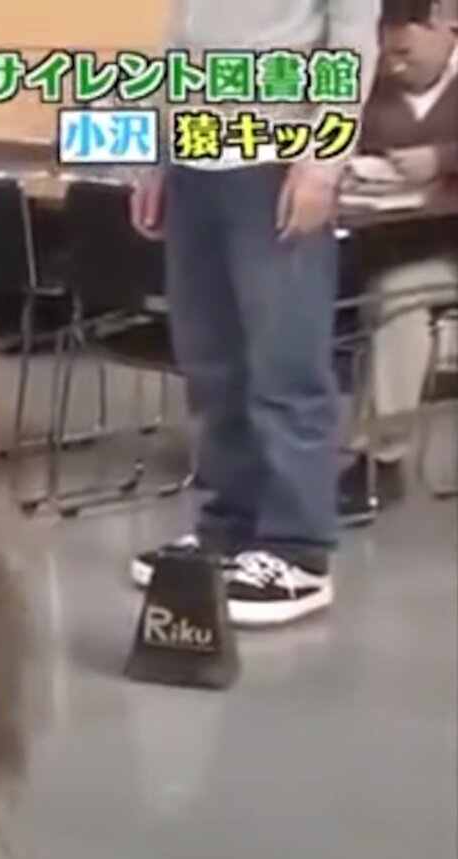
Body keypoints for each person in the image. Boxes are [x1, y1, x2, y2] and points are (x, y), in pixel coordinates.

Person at [129, 0, 379, 627]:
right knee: (212, 362)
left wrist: (322, 164)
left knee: (283, 362)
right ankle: (227, 526)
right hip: (195, 156)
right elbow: (181, 37)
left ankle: (298, 549)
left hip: (275, 157)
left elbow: (351, 45)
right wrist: (154, 156)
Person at [342, 0, 458, 519]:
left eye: (405, 52)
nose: (394, 65)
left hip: (445, 252)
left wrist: (441, 159)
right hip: (391, 240)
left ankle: (378, 459)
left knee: (400, 298)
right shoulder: (374, 86)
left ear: (442, 28)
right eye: (386, 53)